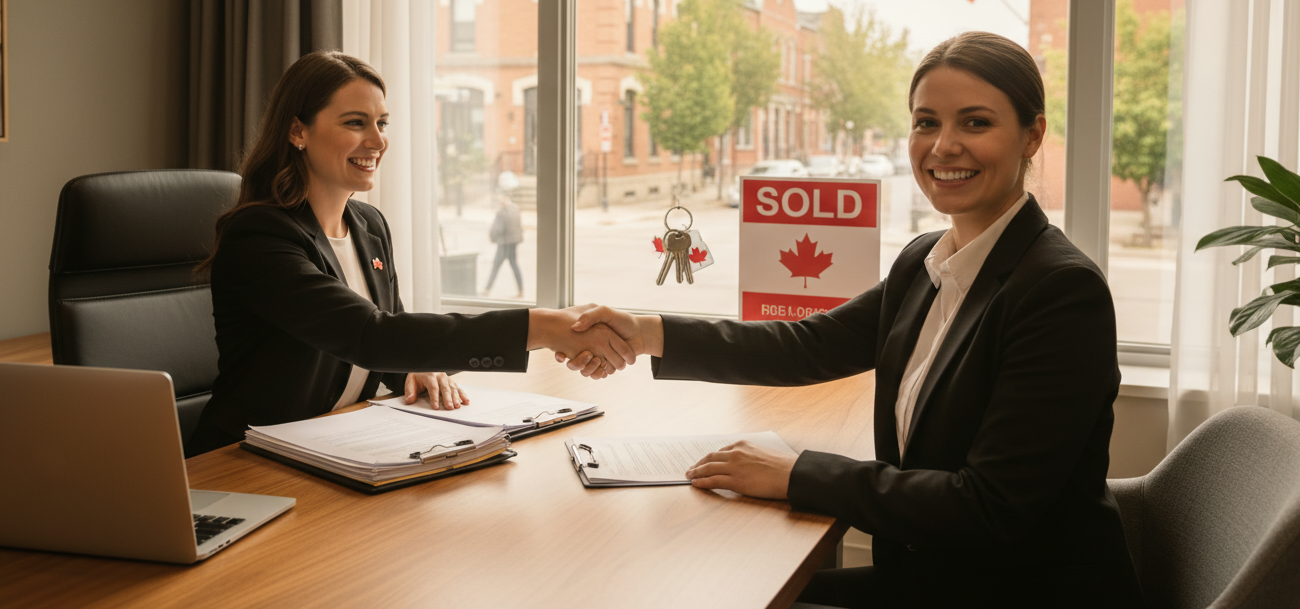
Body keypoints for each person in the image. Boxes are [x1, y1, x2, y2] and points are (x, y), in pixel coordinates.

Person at [565, 33, 1143, 608]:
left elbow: (987, 507)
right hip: (931, 582)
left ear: (1032, 135)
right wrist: (647, 333)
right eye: (926, 123)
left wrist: (798, 474)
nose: (943, 146)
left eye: (975, 123)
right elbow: (807, 345)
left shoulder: (1060, 291)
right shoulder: (926, 261)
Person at [189, 51, 632, 454]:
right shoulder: (258, 235)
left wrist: (411, 370)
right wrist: (544, 327)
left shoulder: (369, 226)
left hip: (336, 445)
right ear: (297, 130)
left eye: (381, 123)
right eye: (355, 123)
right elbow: (372, 336)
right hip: (245, 459)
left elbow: (388, 344)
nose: (377, 141)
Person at [483, 193, 524, 298]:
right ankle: (521, 290)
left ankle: (487, 289)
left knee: (496, 266)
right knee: (514, 264)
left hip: (504, 243)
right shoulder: (515, 209)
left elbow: (497, 228)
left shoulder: (502, 213)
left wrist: (492, 237)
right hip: (513, 242)